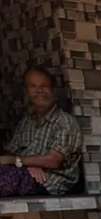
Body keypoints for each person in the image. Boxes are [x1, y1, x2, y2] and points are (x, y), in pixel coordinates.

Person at [0, 65, 82, 198]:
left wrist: (17, 161)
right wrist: (25, 165)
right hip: (24, 173)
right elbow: (10, 152)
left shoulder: (65, 121)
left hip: (49, 181)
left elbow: (53, 161)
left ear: (53, 90)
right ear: (27, 92)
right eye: (33, 86)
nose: (39, 90)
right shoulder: (27, 121)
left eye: (44, 85)